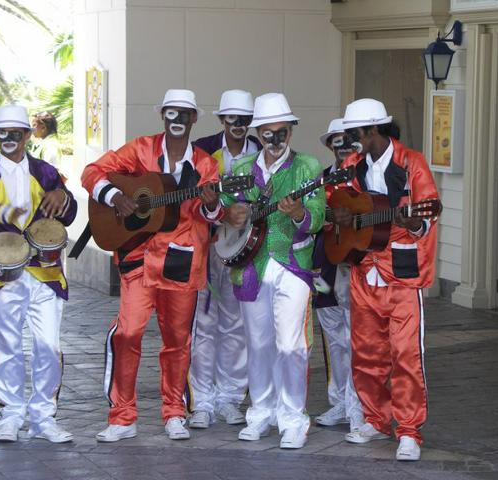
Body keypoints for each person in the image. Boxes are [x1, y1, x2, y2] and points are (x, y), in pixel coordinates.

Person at [81, 89, 222, 442]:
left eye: (184, 114)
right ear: (162, 116)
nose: (176, 120)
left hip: (181, 260)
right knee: (127, 333)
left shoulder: (206, 165)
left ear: (192, 120)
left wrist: (209, 204)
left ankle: (174, 412)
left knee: (177, 341)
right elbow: (92, 172)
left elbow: (215, 214)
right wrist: (116, 197)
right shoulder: (140, 149)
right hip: (139, 258)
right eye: (170, 113)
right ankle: (122, 417)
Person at [0, 104, 77, 443]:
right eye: (1, 133)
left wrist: (62, 195)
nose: (7, 139)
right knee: (6, 346)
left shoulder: (46, 172)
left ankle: (43, 417)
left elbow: (70, 211)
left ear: (26, 135)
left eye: (14, 133)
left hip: (45, 273)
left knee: (48, 345)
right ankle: (10, 415)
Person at [332, 99, 439, 461]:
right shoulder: (351, 165)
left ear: (373, 130)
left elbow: (428, 215)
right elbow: (334, 205)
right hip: (364, 269)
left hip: (402, 275)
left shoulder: (412, 163)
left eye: (354, 133)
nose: (349, 141)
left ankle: (408, 430)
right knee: (366, 353)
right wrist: (341, 215)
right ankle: (376, 419)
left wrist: (415, 222)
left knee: (406, 354)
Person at [221, 93, 325, 449]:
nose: (276, 141)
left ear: (291, 131)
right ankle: (261, 412)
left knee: (290, 344)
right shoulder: (240, 168)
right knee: (259, 343)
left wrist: (298, 213)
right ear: (258, 133)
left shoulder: (307, 167)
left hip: (292, 265)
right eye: (268, 134)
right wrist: (229, 214)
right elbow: (224, 206)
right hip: (251, 265)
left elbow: (317, 217)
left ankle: (293, 418)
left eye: (282, 133)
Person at [187, 90, 261, 429]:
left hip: (243, 250)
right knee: (203, 325)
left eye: (245, 120)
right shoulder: (201, 150)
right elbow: (190, 200)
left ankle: (230, 398)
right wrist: (219, 213)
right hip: (206, 247)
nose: (239, 126)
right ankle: (201, 401)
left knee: (235, 325)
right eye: (233, 119)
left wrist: (249, 215)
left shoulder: (261, 152)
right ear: (222, 120)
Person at [312, 119, 364, 433]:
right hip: (323, 269)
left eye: (347, 140)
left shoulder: (363, 178)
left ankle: (358, 405)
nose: (342, 145)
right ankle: (339, 403)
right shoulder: (320, 179)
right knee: (334, 340)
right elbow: (311, 218)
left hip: (353, 268)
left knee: (356, 338)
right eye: (336, 140)